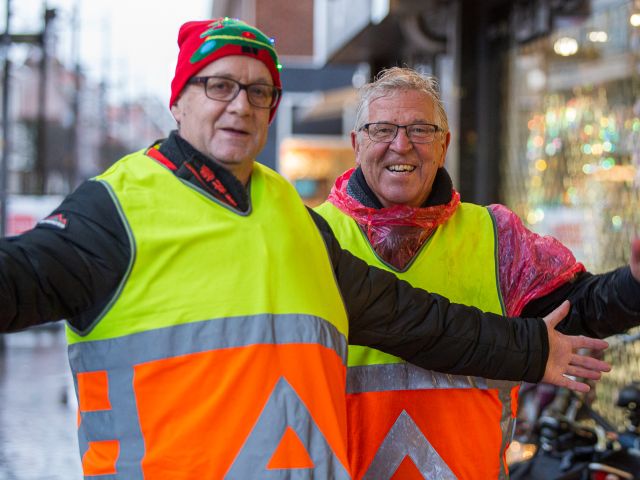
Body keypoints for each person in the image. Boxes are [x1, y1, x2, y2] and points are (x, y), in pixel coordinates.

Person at [0, 20, 609, 479]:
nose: (240, 104)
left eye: (259, 92)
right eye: (218, 86)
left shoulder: (289, 216)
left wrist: (531, 348)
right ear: (179, 99)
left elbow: (406, 317)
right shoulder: (117, 210)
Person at [314, 66, 640, 480]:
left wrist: (633, 286)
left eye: (420, 130)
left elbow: (577, 311)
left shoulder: (494, 236)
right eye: (382, 130)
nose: (401, 145)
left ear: (444, 144)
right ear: (356, 144)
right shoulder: (314, 239)